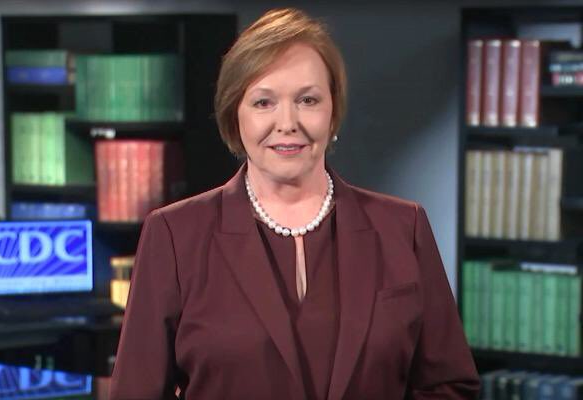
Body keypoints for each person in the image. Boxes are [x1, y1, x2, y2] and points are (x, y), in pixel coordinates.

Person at [109, 7, 480, 400]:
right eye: (263, 102)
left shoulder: (404, 228)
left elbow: (449, 386)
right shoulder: (174, 236)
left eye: (307, 100)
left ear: (333, 111)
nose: (287, 123)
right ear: (235, 115)